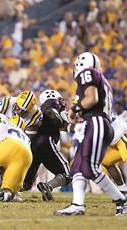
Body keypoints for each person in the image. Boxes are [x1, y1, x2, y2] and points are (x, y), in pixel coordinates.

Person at [55, 52, 127, 216]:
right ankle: (77, 205)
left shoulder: (88, 73)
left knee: (89, 168)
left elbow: (92, 99)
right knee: (78, 168)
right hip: (97, 123)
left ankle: (121, 199)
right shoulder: (100, 79)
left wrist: (74, 109)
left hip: (97, 123)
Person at [23, 90, 71, 201]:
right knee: (66, 174)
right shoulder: (52, 105)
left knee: (26, 184)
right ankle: (48, 186)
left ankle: (7, 190)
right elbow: (51, 111)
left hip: (33, 147)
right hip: (45, 142)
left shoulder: (38, 110)